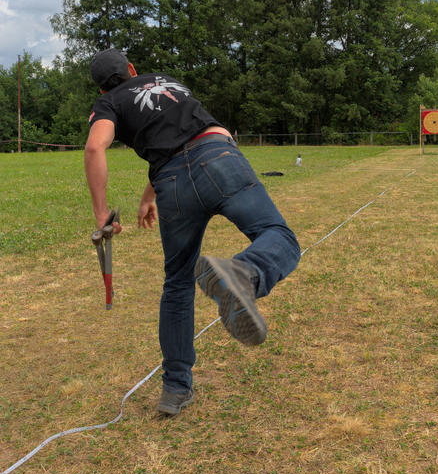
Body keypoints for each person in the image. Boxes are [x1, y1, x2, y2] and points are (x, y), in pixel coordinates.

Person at [85, 48, 300, 417]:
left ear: (102, 89)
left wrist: (103, 212)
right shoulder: (169, 83)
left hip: (172, 183)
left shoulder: (108, 104)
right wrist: (146, 195)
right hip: (218, 156)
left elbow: (95, 146)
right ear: (132, 69)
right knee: (277, 235)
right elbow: (183, 134)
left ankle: (175, 388)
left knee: (178, 283)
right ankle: (245, 273)